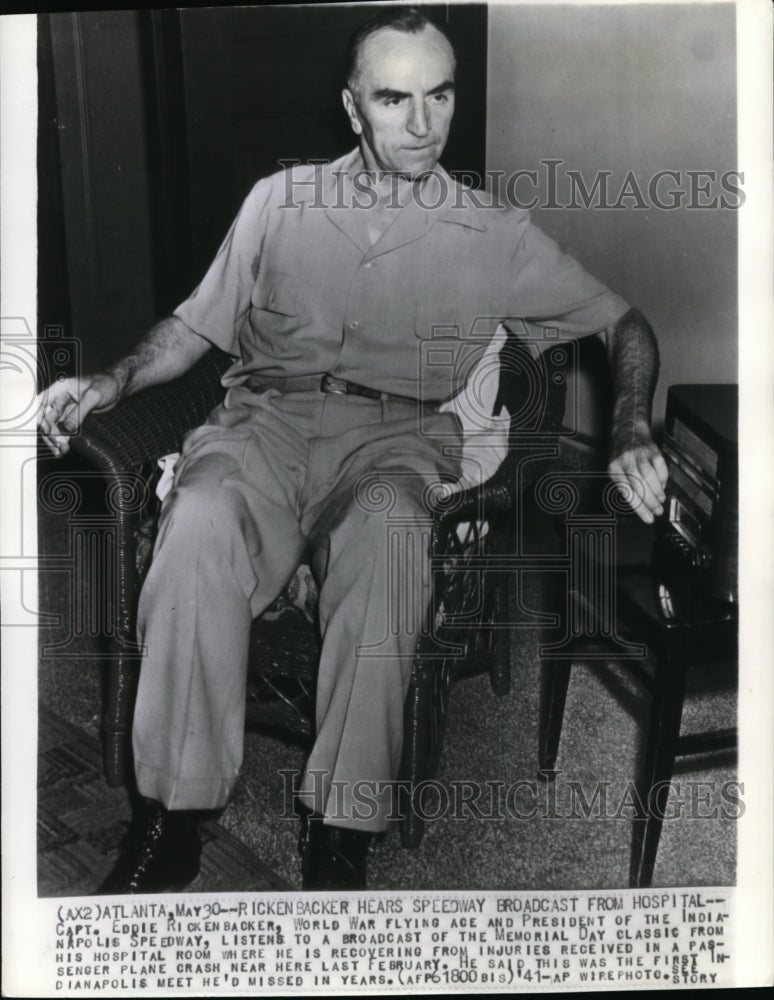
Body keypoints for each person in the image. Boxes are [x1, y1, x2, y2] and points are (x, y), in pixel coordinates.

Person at [38, 8, 668, 892]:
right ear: (351, 106)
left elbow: (624, 322)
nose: (422, 124)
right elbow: (192, 325)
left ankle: (342, 832)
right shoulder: (278, 203)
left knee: (388, 539)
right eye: (394, 98)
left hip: (398, 439)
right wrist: (108, 382)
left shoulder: (494, 235)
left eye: (440, 95)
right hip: (266, 425)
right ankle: (172, 819)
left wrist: (633, 423)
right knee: (200, 525)